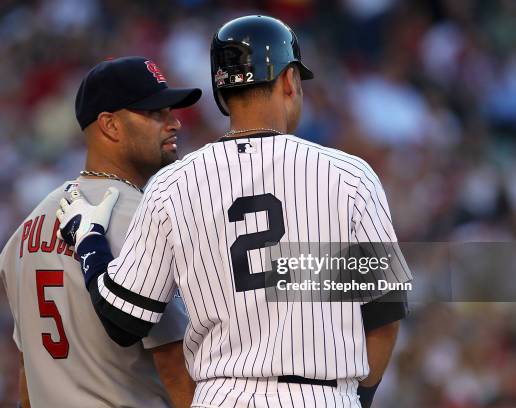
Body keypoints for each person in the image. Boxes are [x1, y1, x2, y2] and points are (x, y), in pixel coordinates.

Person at [57, 16, 411, 408]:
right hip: (320, 395)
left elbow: (124, 318)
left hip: (222, 395)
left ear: (221, 94)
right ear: (289, 80)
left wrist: (89, 238)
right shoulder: (349, 175)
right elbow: (385, 313)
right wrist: (356, 399)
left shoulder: (173, 184)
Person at [0, 56, 201, 408]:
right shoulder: (143, 219)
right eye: (155, 113)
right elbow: (173, 361)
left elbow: (28, 367)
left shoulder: (27, 226)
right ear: (110, 126)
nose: (175, 123)